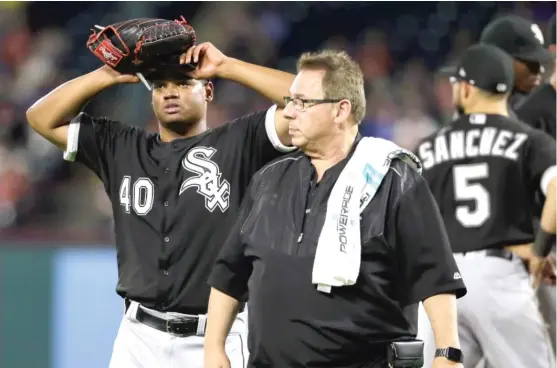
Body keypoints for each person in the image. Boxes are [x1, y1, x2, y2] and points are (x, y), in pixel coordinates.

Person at [25, 40, 296, 368]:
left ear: (207, 92)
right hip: (138, 338)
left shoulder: (240, 141)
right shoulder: (120, 146)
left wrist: (227, 66)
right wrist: (106, 74)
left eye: (183, 83)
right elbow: (41, 117)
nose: (170, 92)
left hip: (215, 339)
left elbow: (309, 103)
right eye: (160, 85)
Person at [204, 49, 467, 368]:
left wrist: (447, 353)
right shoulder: (268, 179)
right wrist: (214, 346)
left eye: (302, 103)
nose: (289, 113)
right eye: (291, 103)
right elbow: (230, 272)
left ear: (341, 110)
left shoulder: (392, 179)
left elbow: (434, 275)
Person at [416, 43, 557, 368]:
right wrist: (539, 250)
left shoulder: (428, 147)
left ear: (466, 88)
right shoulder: (528, 140)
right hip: (498, 278)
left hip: (441, 287)